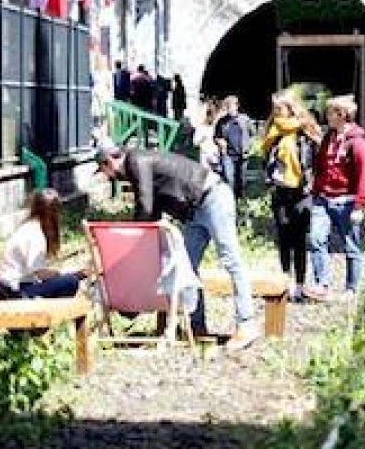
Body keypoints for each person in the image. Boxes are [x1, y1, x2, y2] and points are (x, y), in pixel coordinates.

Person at [95, 144, 262, 351]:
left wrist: (130, 239)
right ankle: (197, 327)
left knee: (231, 260)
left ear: (109, 162)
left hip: (212, 198)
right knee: (186, 267)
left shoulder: (135, 160)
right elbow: (152, 210)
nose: (109, 177)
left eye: (104, 171)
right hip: (194, 212)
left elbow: (145, 206)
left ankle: (246, 324)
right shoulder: (139, 166)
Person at [304, 95, 365, 301]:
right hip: (323, 199)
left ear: (341, 115)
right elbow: (322, 167)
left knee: (351, 245)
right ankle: (321, 285)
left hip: (347, 201)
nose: (327, 117)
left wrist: (360, 205)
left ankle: (351, 288)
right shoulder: (329, 138)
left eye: (330, 113)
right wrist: (315, 189)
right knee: (316, 238)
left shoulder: (358, 143)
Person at [258, 93, 321, 301]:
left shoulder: (305, 131)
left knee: (300, 239)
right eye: (274, 109)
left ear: (291, 109)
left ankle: (301, 285)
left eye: (279, 109)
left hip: (301, 191)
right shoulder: (272, 132)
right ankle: (285, 282)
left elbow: (318, 155)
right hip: (280, 190)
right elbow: (265, 156)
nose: (275, 113)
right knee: (283, 238)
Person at [0, 188, 85, 299]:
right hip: (18, 291)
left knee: (67, 279)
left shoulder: (28, 226)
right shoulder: (36, 234)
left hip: (13, 285)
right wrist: (67, 274)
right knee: (70, 281)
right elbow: (40, 274)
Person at [212, 95, 250, 202]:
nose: (229, 109)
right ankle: (230, 200)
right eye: (227, 107)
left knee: (241, 178)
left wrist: (248, 146)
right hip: (228, 154)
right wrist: (219, 141)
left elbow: (252, 133)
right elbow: (215, 136)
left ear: (237, 106)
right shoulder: (222, 122)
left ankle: (240, 198)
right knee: (229, 178)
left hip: (242, 153)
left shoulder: (245, 119)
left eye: (231, 106)